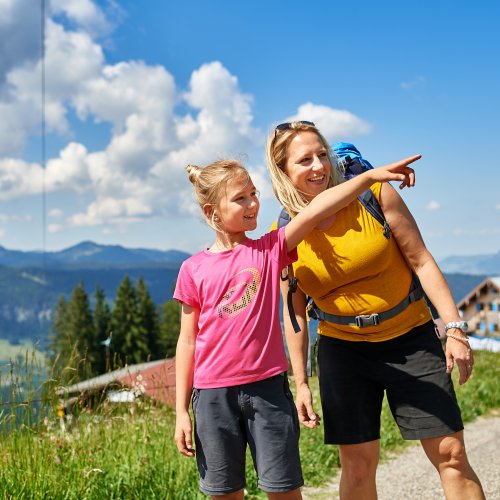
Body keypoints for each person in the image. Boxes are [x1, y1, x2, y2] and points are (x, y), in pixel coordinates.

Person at [174, 156, 418, 499]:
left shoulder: (269, 250)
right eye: (240, 198)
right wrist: (181, 411)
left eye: (254, 194)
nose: (253, 203)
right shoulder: (192, 269)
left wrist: (370, 179)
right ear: (211, 211)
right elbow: (187, 342)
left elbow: (318, 209)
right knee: (225, 494)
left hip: (268, 392)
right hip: (212, 396)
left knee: (284, 491)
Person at [266, 120, 485, 500]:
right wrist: (300, 381)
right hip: (343, 350)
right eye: (304, 160)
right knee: (358, 466)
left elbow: (421, 260)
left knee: (451, 454)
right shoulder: (285, 234)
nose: (318, 166)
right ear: (284, 172)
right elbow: (295, 313)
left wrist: (455, 328)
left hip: (410, 337)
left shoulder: (376, 194)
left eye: (322, 154)